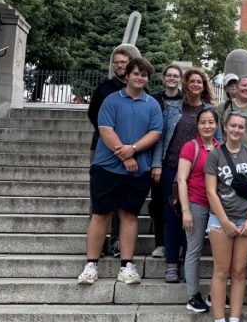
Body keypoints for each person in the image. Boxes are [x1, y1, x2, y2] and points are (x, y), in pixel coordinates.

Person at [78, 57, 163, 287]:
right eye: (136, 73)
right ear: (127, 76)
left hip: (139, 170)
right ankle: (91, 264)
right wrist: (126, 157)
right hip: (107, 167)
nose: (140, 78)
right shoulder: (111, 100)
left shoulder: (152, 104)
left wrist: (133, 150)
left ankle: (126, 265)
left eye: (144, 75)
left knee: (129, 215)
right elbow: (105, 130)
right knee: (101, 214)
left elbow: (155, 133)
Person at [150, 67, 217, 284]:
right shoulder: (172, 108)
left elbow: (219, 142)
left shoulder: (209, 110)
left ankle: (188, 261)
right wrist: (156, 165)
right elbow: (161, 138)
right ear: (185, 84)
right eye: (192, 81)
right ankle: (171, 264)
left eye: (199, 81)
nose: (196, 84)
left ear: (204, 85)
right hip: (171, 167)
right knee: (172, 216)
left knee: (194, 219)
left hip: (199, 171)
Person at [203, 111, 247, 322]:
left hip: (245, 219)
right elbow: (210, 191)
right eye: (233, 126)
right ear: (225, 128)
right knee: (221, 271)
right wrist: (225, 221)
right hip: (221, 220)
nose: (237, 130)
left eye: (241, 127)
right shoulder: (215, 155)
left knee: (239, 272)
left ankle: (234, 321)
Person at [86, 45, 138, 256]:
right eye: (116, 62)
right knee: (99, 200)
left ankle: (117, 241)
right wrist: (113, 142)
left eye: (123, 62)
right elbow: (95, 117)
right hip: (103, 150)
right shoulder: (105, 88)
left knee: (123, 201)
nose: (119, 65)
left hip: (130, 150)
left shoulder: (139, 89)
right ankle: (97, 245)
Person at [175, 107, 220, 313]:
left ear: (217, 125)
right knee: (193, 250)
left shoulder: (221, 147)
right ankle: (193, 295)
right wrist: (186, 210)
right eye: (203, 122)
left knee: (220, 254)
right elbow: (182, 180)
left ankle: (215, 293)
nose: (207, 126)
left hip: (217, 207)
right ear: (197, 125)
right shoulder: (190, 147)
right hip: (196, 203)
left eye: (211, 122)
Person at [147, 63, 185, 259]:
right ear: (163, 79)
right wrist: (156, 163)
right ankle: (161, 243)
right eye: (168, 75)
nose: (172, 78)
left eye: (175, 76)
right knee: (159, 203)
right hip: (159, 157)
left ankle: (177, 243)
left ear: (180, 79)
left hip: (181, 161)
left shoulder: (185, 101)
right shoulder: (154, 100)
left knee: (179, 205)